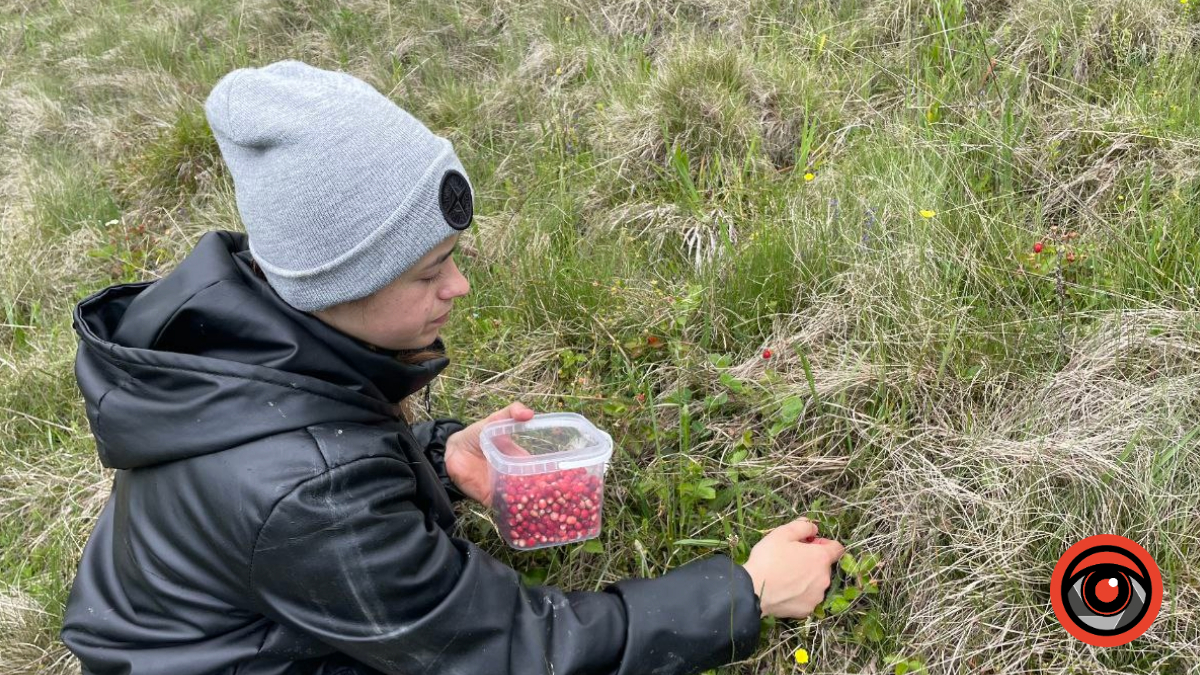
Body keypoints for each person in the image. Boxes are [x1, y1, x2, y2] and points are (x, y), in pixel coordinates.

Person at [60, 59, 846, 675]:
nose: (458, 287)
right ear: (339, 281)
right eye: (428, 270)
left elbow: (316, 442)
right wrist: (743, 594)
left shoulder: (249, 333)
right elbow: (512, 652)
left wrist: (433, 455)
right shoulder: (306, 493)